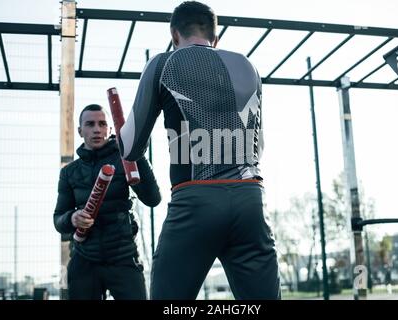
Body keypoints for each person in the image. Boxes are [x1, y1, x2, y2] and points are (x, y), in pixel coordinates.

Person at [119, 1, 280, 299]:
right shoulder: (248, 65)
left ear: (174, 34)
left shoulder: (163, 63)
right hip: (250, 200)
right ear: (215, 37)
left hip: (196, 200)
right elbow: (259, 146)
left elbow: (129, 146)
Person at [53, 104, 161, 300]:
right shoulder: (69, 172)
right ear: (80, 131)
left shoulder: (125, 160)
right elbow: (58, 220)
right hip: (85, 258)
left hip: (123, 257)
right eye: (90, 124)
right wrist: (72, 218)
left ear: (110, 130)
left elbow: (153, 199)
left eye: (102, 124)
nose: (97, 129)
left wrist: (137, 154)